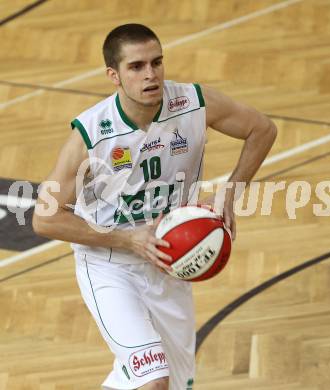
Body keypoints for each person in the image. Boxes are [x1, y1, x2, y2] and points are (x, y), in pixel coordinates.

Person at [32, 23, 277, 390]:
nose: (151, 74)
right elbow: (45, 219)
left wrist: (231, 192)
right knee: (153, 380)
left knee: (169, 384)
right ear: (113, 75)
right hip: (110, 269)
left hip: (169, 265)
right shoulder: (91, 134)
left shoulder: (193, 103)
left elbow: (263, 129)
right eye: (136, 66)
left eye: (157, 62)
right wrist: (129, 239)